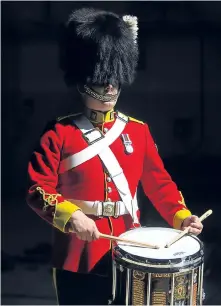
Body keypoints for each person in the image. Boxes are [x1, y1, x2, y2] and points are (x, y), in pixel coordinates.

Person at [26, 7, 203, 305]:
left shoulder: (138, 132)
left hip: (129, 247)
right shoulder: (59, 132)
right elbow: (37, 189)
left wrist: (181, 217)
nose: (109, 85)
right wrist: (71, 217)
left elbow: (159, 183)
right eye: (101, 78)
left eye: (114, 78)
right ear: (83, 79)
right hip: (78, 253)